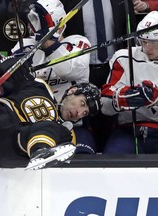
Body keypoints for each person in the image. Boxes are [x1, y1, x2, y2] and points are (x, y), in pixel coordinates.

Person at [11, 0, 95, 154]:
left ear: (60, 25)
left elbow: (67, 70)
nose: (34, 28)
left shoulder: (77, 43)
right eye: (34, 22)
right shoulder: (24, 45)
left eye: (40, 23)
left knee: (82, 160)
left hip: (71, 126)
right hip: (30, 124)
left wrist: (48, 42)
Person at [61, 0, 136, 152]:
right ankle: (85, 151)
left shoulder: (122, 1)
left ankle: (107, 154)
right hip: (81, 70)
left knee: (110, 118)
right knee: (82, 116)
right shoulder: (69, 2)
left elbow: (130, 33)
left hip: (113, 69)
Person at [101, 11, 158, 154]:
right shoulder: (124, 57)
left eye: (153, 43)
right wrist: (127, 97)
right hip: (129, 129)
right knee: (111, 163)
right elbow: (104, 104)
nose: (147, 48)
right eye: (144, 42)